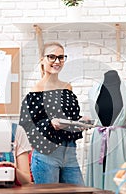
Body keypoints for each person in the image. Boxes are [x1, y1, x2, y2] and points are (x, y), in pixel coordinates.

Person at [19, 41, 87, 185]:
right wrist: (49, 124)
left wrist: (80, 121)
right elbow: (25, 128)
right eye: (52, 57)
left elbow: (71, 119)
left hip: (70, 153)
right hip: (46, 155)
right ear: (42, 59)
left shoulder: (68, 88)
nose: (57, 61)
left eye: (61, 57)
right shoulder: (35, 92)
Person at [86, 70, 126, 192]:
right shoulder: (93, 91)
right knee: (97, 180)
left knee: (120, 179)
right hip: (98, 139)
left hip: (120, 139)